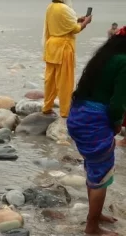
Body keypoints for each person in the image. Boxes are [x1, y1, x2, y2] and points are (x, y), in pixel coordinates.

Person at [67, 26, 126, 236]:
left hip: (78, 116)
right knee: (101, 174)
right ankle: (92, 227)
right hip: (95, 122)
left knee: (94, 169)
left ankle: (96, 215)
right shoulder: (124, 62)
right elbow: (117, 103)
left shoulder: (103, 57)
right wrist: (117, 123)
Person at [43, 0, 92, 118]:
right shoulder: (64, 8)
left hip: (51, 46)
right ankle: (65, 111)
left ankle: (47, 107)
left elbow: (62, 23)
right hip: (63, 47)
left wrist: (78, 19)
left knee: (50, 79)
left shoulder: (51, 7)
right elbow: (75, 29)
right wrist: (86, 22)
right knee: (65, 81)